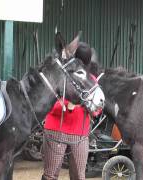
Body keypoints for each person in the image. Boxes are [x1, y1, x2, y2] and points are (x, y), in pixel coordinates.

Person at [41, 43, 98, 180]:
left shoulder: (92, 80)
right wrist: (67, 105)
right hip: (56, 131)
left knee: (79, 175)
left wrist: (92, 108)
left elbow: (97, 108)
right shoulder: (59, 76)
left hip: (80, 134)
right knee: (50, 174)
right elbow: (46, 103)